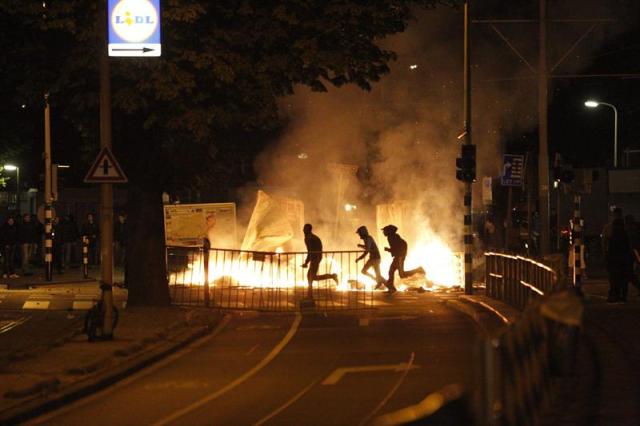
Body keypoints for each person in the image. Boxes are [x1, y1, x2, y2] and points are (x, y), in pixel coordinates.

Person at [382, 224, 425, 293]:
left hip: (399, 257)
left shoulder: (392, 237)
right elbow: (398, 247)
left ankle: (419, 270)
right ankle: (391, 288)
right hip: (398, 256)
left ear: (389, 231)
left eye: (385, 231)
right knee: (391, 271)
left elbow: (396, 249)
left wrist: (388, 250)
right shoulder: (393, 237)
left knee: (402, 275)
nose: (383, 232)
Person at [302, 224, 338, 299]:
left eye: (304, 229)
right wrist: (307, 261)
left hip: (316, 258)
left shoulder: (310, 238)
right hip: (316, 257)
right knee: (312, 277)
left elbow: (310, 251)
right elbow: (311, 251)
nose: (303, 230)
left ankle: (310, 295)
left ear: (308, 230)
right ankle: (331, 276)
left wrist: (306, 262)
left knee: (310, 277)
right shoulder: (310, 237)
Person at [605, 213, 634, 303]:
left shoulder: (613, 236)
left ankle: (615, 296)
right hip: (624, 260)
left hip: (615, 261)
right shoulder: (625, 234)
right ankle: (623, 296)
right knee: (624, 279)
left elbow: (610, 249)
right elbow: (629, 247)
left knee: (615, 279)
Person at [624, 214, 640, 294]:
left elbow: (633, 244)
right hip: (633, 253)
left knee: (631, 274)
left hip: (632, 253)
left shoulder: (630, 230)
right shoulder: (634, 229)